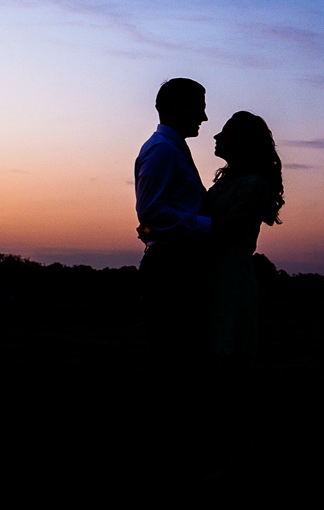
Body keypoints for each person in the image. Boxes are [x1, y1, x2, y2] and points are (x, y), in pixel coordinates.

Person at [133, 77, 211, 477]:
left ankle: (165, 447)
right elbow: (152, 214)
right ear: (177, 106)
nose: (204, 115)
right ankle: (161, 454)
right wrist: (209, 227)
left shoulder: (171, 148)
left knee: (177, 360)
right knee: (170, 361)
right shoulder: (163, 150)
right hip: (171, 269)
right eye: (199, 106)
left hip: (178, 266)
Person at [203, 111, 284, 477]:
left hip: (231, 281)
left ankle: (243, 457)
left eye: (226, 132)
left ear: (244, 141)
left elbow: (225, 230)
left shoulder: (252, 184)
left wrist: (176, 229)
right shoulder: (225, 182)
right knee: (215, 375)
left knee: (230, 374)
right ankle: (237, 454)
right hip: (212, 279)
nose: (216, 136)